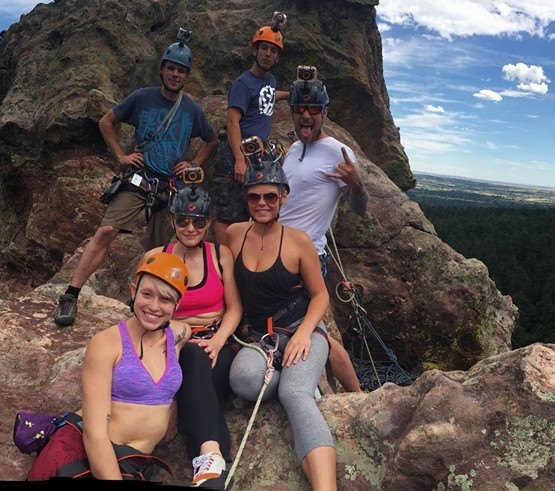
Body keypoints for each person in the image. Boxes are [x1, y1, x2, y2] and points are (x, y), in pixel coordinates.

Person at [55, 31, 219, 328]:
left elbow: (212, 138)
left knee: (155, 251)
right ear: (162, 69)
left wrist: (195, 163)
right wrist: (120, 155)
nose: (175, 74)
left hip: (169, 185)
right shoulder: (142, 98)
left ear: (186, 75)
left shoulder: (192, 109)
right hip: (140, 178)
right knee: (106, 230)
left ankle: (141, 306)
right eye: (171, 67)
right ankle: (71, 293)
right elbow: (107, 122)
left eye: (180, 70)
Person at [27, 251, 192, 481]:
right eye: (147, 294)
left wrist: (171, 403)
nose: (154, 307)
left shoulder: (179, 334)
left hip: (131, 461)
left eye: (165, 299)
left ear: (177, 304)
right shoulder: (106, 344)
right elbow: (95, 434)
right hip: (89, 453)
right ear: (133, 291)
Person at [225, 159, 338, 490]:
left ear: (283, 197)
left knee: (294, 392)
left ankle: (325, 486)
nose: (262, 204)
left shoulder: (299, 241)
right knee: (243, 381)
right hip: (262, 336)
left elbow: (320, 296)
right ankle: (296, 377)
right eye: (254, 197)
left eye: (270, 197)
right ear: (246, 198)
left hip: (301, 328)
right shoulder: (234, 235)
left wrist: (305, 334)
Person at [278, 72, 368, 393]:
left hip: (307, 257)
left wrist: (356, 185)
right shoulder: (292, 150)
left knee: (314, 332)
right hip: (277, 252)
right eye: (299, 108)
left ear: (324, 113)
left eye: (313, 109)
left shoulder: (338, 152)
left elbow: (360, 207)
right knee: (311, 330)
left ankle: (355, 395)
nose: (306, 114)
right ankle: (356, 394)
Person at [148, 187, 242, 488]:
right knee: (193, 359)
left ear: (209, 222)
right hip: (172, 343)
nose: (190, 228)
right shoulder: (156, 257)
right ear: (172, 221)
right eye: (183, 221)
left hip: (218, 341)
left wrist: (217, 341)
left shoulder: (219, 254)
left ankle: (206, 458)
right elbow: (145, 307)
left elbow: (235, 308)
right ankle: (212, 462)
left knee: (197, 365)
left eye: (198, 222)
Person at [208, 15, 291, 226]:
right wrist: (238, 158)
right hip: (236, 151)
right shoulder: (242, 84)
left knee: (255, 207)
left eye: (273, 51)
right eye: (264, 48)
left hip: (257, 151)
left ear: (277, 57)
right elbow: (232, 122)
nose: (268, 54)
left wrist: (290, 94)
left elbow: (269, 94)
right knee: (229, 212)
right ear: (254, 50)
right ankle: (225, 257)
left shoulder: (270, 81)